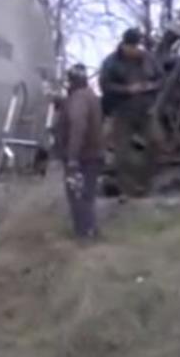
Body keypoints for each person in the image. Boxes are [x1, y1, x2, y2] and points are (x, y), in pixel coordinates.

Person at [98, 27, 161, 197]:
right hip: (122, 111)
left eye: (137, 46)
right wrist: (126, 90)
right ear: (124, 45)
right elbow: (105, 85)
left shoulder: (149, 59)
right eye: (132, 46)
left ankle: (146, 184)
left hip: (145, 110)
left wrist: (150, 86)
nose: (135, 49)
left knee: (156, 142)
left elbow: (160, 79)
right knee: (122, 152)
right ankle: (128, 190)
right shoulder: (111, 62)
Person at [54, 63, 105, 240]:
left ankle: (85, 234)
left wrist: (72, 158)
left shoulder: (79, 99)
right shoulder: (90, 96)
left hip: (82, 157)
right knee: (87, 196)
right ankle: (90, 231)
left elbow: (78, 126)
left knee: (77, 196)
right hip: (93, 155)